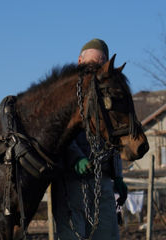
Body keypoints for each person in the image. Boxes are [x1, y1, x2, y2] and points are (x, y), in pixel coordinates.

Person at [51, 38, 128, 240]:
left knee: (107, 234)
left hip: (102, 180)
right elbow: (59, 131)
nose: (95, 67)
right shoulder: (67, 92)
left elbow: (114, 138)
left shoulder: (106, 95)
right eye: (91, 62)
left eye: (100, 63)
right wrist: (76, 157)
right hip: (72, 179)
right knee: (73, 235)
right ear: (79, 60)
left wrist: (118, 176)